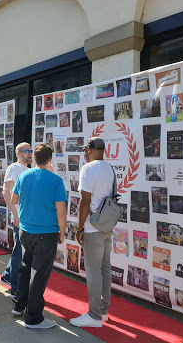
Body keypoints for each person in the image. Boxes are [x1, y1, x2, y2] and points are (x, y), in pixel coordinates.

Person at [11, 144, 67, 329]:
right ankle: (33, 317)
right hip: (46, 233)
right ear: (50, 159)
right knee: (39, 274)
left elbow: (13, 200)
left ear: (34, 158)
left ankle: (19, 306)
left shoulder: (23, 175)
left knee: (25, 269)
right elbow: (61, 212)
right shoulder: (55, 180)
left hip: (25, 231)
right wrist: (62, 232)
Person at [70, 137, 114, 328]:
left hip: (92, 227)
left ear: (88, 150)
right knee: (105, 269)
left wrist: (79, 228)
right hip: (106, 226)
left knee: (94, 271)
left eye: (84, 150)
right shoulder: (109, 167)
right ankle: (103, 311)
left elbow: (85, 201)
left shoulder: (88, 168)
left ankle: (94, 315)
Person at [0, 142, 32, 299]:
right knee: (19, 253)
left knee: (20, 250)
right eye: (27, 151)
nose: (30, 153)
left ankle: (7, 276)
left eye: (31, 151)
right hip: (20, 217)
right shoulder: (14, 168)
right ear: (19, 153)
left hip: (28, 216)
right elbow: (6, 192)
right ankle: (15, 289)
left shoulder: (29, 170)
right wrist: (16, 215)